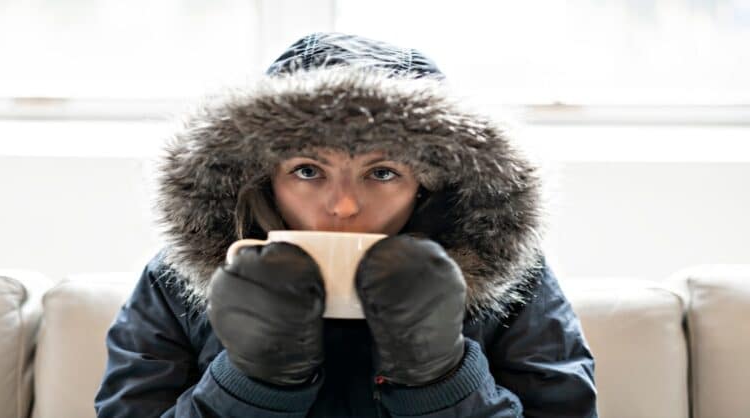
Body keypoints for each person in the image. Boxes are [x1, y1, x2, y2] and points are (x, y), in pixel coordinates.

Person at [94, 32, 597, 417]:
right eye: (308, 171)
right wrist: (252, 379)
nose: (345, 205)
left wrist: (438, 375)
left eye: (382, 172)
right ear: (265, 179)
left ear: (426, 186)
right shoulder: (175, 280)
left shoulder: (513, 279)